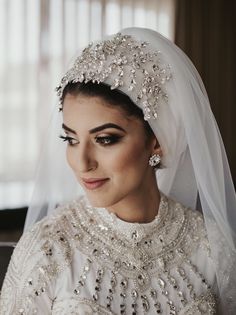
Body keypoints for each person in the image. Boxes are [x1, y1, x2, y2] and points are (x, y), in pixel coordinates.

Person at [0, 27, 235, 315]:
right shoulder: (48, 248)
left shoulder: (213, 247)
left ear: (156, 141)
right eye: (70, 139)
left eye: (105, 139)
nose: (82, 162)